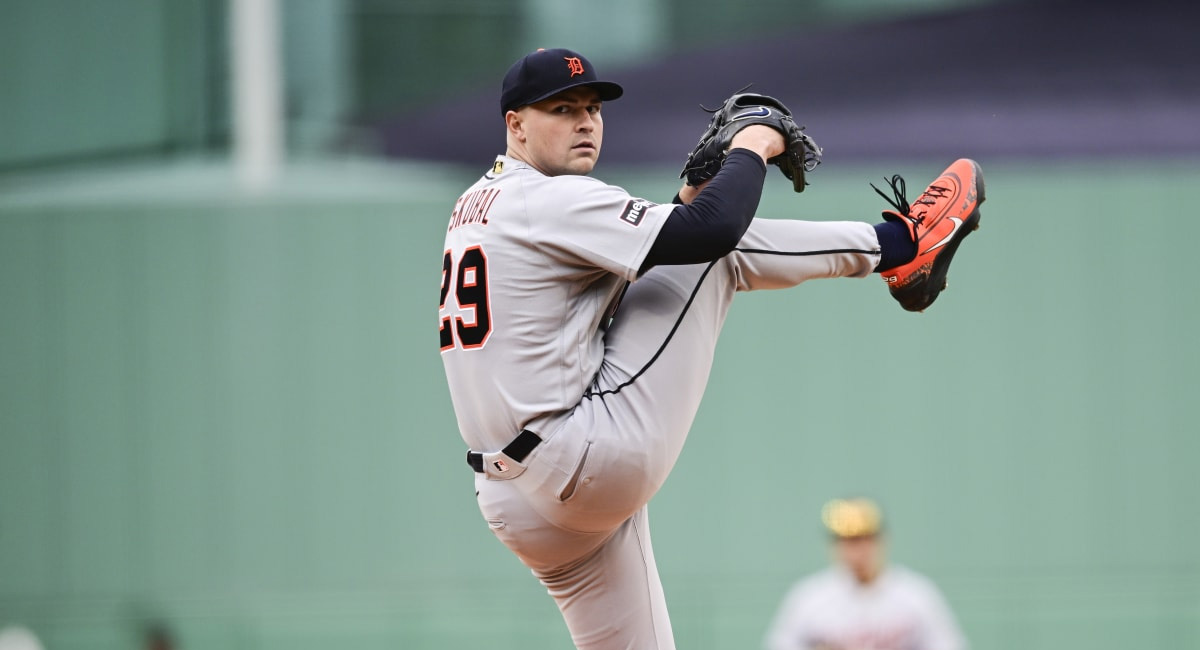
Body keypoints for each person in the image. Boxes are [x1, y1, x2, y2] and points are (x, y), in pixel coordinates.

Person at [438, 47, 985, 650]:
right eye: (562, 109)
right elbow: (713, 234)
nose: (585, 122)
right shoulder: (549, 198)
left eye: (592, 108)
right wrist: (753, 144)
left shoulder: (478, 203)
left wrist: (688, 200)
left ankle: (902, 249)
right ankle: (904, 246)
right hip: (582, 460)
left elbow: (639, 259)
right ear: (515, 124)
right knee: (717, 257)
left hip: (513, 500)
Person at [763, 498, 968, 650]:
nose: (856, 552)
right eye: (847, 542)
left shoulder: (916, 594)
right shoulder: (809, 597)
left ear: (882, 540)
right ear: (834, 546)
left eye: (863, 539)